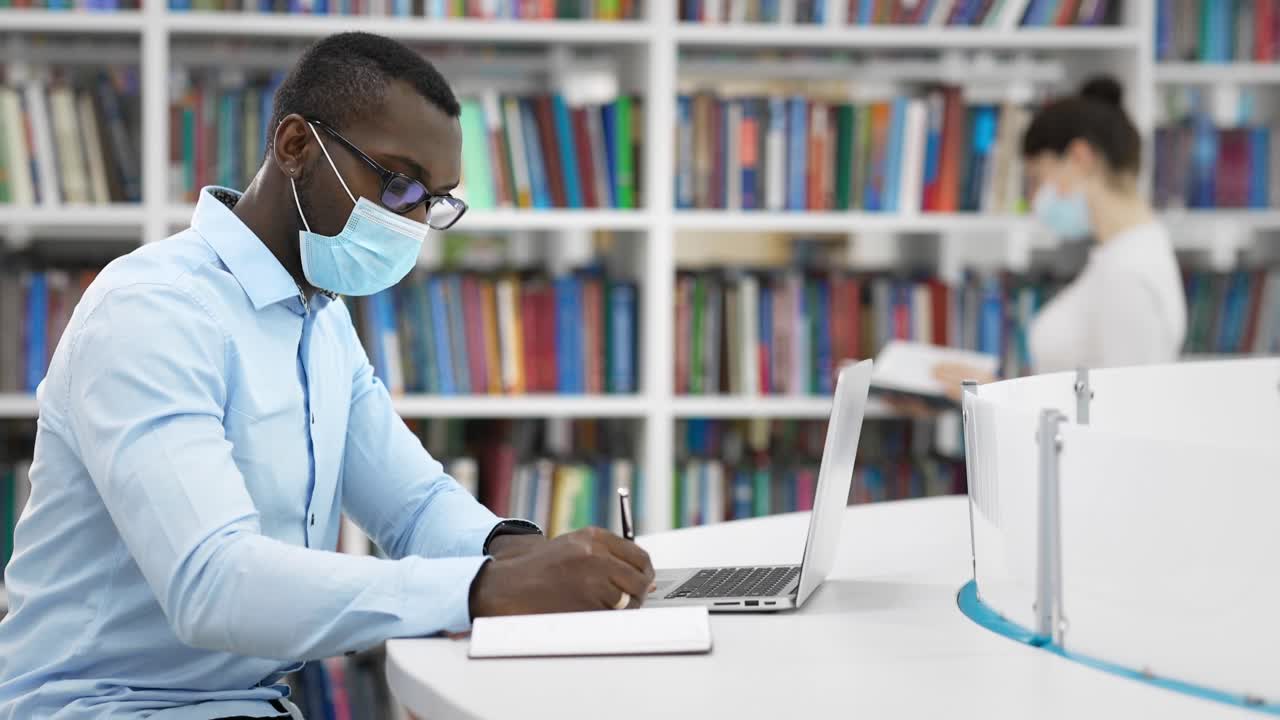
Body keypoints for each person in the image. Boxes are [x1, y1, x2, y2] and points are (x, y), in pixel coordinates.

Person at [0, 32, 654, 719]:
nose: (411, 222)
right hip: (101, 708)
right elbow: (213, 584)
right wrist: (484, 588)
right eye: (398, 184)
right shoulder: (152, 312)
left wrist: (527, 556)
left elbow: (414, 504)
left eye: (431, 202)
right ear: (295, 147)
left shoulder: (318, 314)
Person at [933, 76, 1188, 397]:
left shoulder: (1131, 275)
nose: (1036, 199)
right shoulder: (1121, 257)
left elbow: (1120, 417)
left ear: (1080, 157)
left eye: (1038, 178)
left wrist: (992, 396)